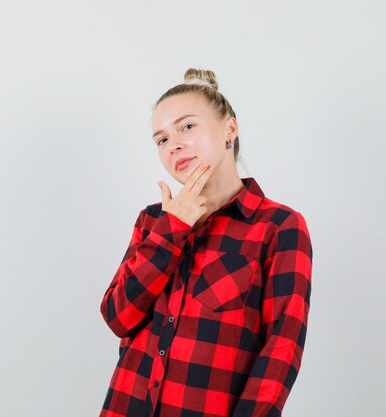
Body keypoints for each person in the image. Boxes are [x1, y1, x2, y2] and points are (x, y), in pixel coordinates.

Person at [99, 68, 313, 417]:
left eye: (187, 127)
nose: (174, 145)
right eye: (162, 139)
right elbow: (117, 317)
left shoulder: (278, 227)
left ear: (230, 128)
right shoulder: (152, 221)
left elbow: (281, 349)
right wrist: (172, 229)